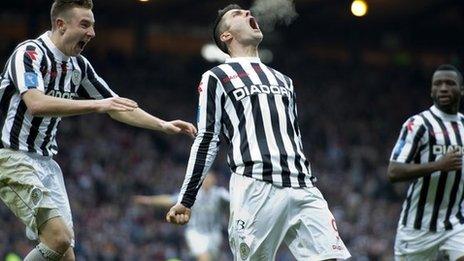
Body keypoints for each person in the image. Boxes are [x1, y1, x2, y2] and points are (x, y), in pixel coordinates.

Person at [0, 0, 197, 260]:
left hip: (47, 163)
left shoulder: (78, 66)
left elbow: (115, 105)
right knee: (58, 239)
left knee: (65, 253)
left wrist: (162, 124)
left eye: (92, 26)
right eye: (85, 25)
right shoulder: (31, 53)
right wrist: (97, 105)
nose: (92, 33)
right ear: (60, 25)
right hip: (12, 157)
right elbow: (35, 103)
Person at [166, 4, 351, 260]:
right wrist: (186, 198)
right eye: (237, 14)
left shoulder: (284, 80)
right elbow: (208, 138)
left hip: (303, 186)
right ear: (226, 36)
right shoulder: (217, 76)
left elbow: (293, 136)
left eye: (247, 12)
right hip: (256, 186)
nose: (248, 14)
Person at [388, 64, 464, 261]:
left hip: (455, 223)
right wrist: (439, 165)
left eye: (450, 83)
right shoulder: (418, 124)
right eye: (438, 84)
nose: (444, 88)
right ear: (431, 90)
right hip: (417, 227)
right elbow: (394, 171)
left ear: (461, 89)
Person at [134, 172, 229, 261]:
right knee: (204, 257)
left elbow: (234, 202)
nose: (208, 181)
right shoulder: (193, 194)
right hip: (195, 233)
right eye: (206, 179)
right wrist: (148, 200)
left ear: (214, 181)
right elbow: (169, 200)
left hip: (214, 234)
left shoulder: (219, 194)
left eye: (210, 179)